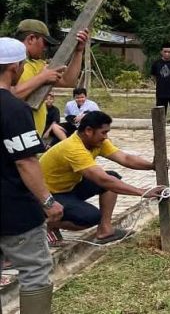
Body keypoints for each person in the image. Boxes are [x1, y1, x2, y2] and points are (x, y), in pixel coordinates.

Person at [0, 37, 65, 313]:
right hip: (13, 209)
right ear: (15, 66)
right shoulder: (14, 109)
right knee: (34, 270)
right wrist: (49, 202)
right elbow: (26, 162)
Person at [39, 111, 165, 244]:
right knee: (91, 217)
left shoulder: (97, 142)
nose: (106, 137)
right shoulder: (73, 148)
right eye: (103, 132)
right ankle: (46, 224)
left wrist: (152, 165)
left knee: (113, 176)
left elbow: (125, 158)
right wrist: (142, 192)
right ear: (88, 131)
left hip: (68, 188)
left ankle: (105, 230)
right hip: (46, 196)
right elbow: (102, 179)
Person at [12, 19, 89, 136]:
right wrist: (42, 77)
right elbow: (10, 96)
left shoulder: (38, 64)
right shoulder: (10, 62)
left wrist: (78, 52)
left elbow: (68, 81)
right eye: (45, 43)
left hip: (32, 136)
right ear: (31, 39)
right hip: (15, 135)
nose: (45, 48)